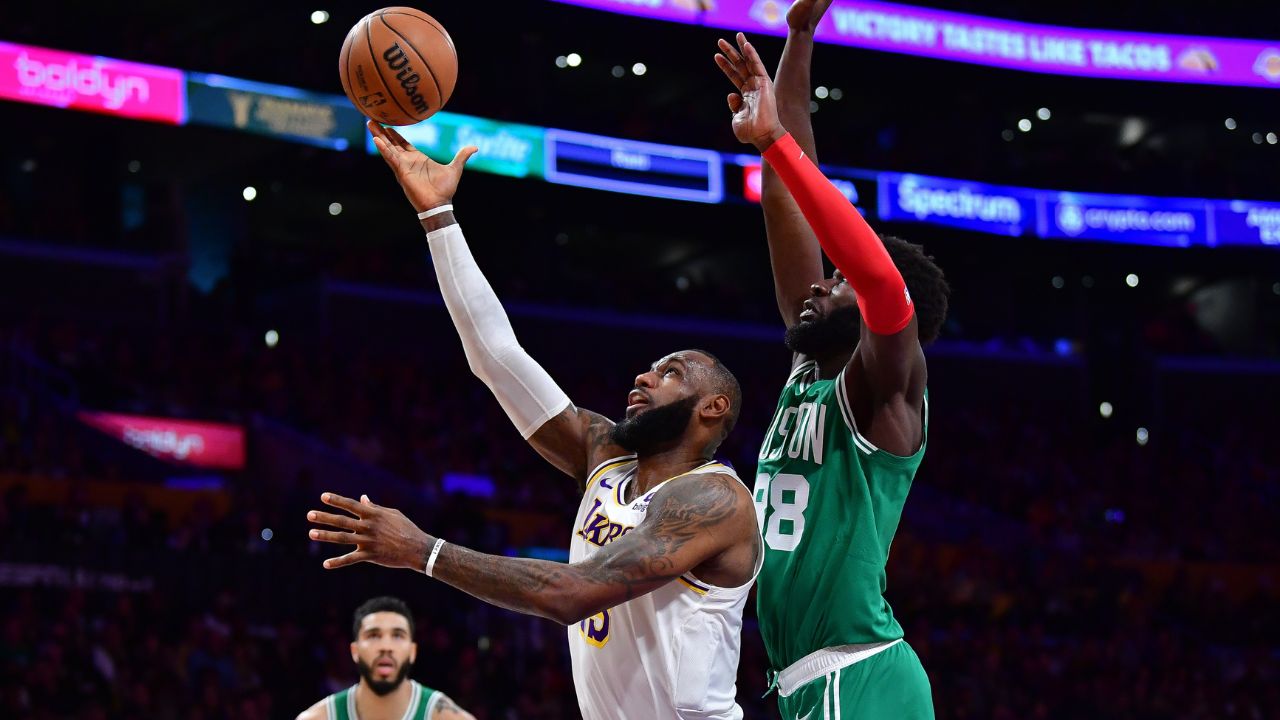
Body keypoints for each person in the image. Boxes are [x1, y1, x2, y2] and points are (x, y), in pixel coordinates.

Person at [306, 120, 763, 720]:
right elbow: (496, 357)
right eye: (650, 368)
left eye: (670, 372)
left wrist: (423, 551)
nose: (645, 377)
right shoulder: (605, 454)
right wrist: (438, 218)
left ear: (713, 408)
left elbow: (572, 594)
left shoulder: (714, 500)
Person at [713, 3, 950, 717]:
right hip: (807, 679)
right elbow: (790, 195)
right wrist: (798, 40)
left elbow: (877, 278)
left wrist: (775, 139)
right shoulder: (811, 366)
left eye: (835, 280)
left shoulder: (887, 390)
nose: (818, 285)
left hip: (859, 671)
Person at [296, 596, 474, 720]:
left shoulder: (446, 716)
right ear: (355, 651)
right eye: (374, 635)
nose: (386, 647)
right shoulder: (318, 717)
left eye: (397, 635)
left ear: (412, 651)